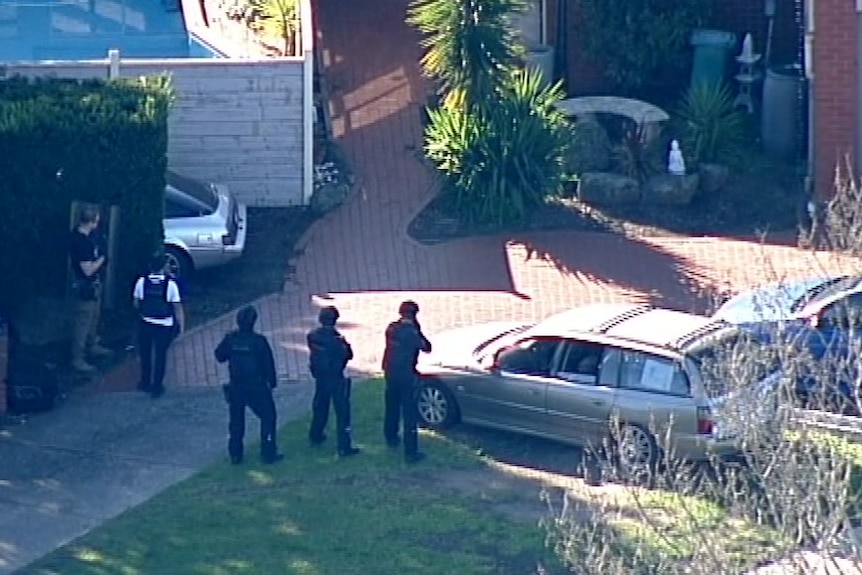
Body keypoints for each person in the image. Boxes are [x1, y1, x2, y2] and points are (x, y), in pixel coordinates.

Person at [215, 305, 283, 465]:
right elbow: (268, 365)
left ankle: (235, 454)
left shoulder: (231, 339)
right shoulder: (259, 341)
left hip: (236, 386)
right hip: (256, 386)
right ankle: (268, 452)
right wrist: (271, 383)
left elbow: (219, 356)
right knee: (268, 417)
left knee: (236, 420)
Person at [382, 300, 432, 464]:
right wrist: (417, 329)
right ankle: (411, 452)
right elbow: (426, 347)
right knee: (409, 412)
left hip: (390, 371)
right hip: (405, 374)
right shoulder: (411, 333)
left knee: (391, 406)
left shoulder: (391, 328)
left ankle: (390, 436)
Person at [307, 306, 360, 457]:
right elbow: (349, 354)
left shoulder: (312, 336)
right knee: (342, 412)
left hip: (320, 377)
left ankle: (315, 435)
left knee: (320, 407)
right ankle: (344, 446)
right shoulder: (336, 340)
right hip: (336, 377)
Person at [133, 252, 184, 398]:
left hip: (146, 322)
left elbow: (136, 303)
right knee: (161, 355)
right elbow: (177, 307)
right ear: (164, 267)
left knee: (145, 353)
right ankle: (157, 386)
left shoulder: (142, 282)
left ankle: (145, 382)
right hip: (164, 325)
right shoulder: (170, 285)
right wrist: (181, 326)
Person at [68, 205, 112, 373]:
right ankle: (77, 358)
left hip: (93, 286)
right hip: (85, 287)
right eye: (96, 220)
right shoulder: (82, 243)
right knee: (83, 322)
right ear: (92, 221)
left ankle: (92, 345)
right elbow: (87, 270)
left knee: (93, 318)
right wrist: (102, 258)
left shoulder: (86, 237)